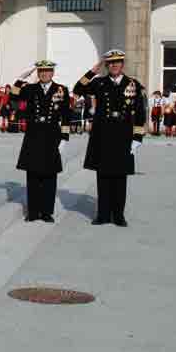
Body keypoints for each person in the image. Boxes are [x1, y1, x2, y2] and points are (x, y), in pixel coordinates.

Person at [73, 49, 146, 227]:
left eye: (117, 62)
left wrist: (137, 138)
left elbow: (140, 112)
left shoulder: (133, 84)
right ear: (107, 65)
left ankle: (118, 215)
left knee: (120, 178)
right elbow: (78, 89)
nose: (114, 65)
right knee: (103, 177)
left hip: (123, 137)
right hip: (102, 136)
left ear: (122, 64)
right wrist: (92, 72)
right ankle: (103, 214)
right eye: (111, 63)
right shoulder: (99, 83)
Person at [10, 60, 71, 223]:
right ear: (38, 73)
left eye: (47, 71)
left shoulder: (61, 90)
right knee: (33, 175)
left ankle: (46, 212)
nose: (44, 74)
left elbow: (66, 115)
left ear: (52, 73)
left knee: (50, 175)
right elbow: (13, 97)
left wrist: (64, 138)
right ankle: (33, 211)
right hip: (34, 134)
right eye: (41, 71)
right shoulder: (30, 89)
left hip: (52, 135)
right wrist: (19, 80)